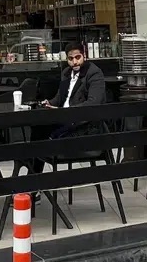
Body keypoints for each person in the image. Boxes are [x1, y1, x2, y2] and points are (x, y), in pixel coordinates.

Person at [27, 42, 106, 174]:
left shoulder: (94, 73)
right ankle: (33, 178)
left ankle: (33, 179)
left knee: (40, 133)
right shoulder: (66, 73)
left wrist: (65, 112)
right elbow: (59, 99)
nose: (75, 62)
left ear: (84, 56)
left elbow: (94, 103)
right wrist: (48, 103)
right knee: (37, 127)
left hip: (83, 125)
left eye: (78, 57)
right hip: (63, 119)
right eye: (70, 59)